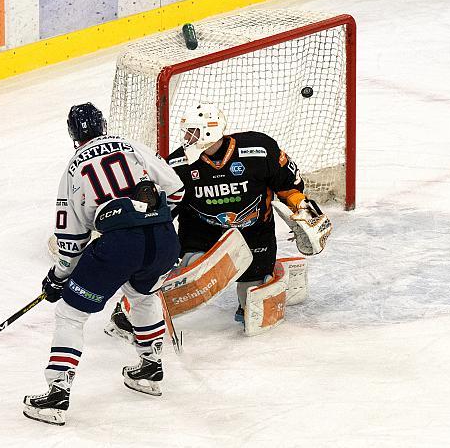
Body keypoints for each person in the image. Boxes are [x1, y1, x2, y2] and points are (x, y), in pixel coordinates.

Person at [23, 102, 184, 426]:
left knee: (70, 313)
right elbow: (176, 189)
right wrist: (151, 220)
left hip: (121, 247)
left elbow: (71, 238)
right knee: (142, 296)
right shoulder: (129, 145)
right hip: (164, 241)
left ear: (72, 134)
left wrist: (59, 277)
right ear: (104, 124)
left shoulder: (74, 168)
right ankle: (151, 369)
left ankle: (57, 394)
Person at [106, 102, 321, 336]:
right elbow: (163, 211)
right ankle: (135, 307)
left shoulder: (259, 149)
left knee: (253, 304)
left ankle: (264, 278)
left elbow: (289, 187)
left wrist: (305, 211)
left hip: (254, 232)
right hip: (202, 232)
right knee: (193, 271)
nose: (187, 138)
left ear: (210, 130)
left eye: (193, 132)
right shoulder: (178, 165)